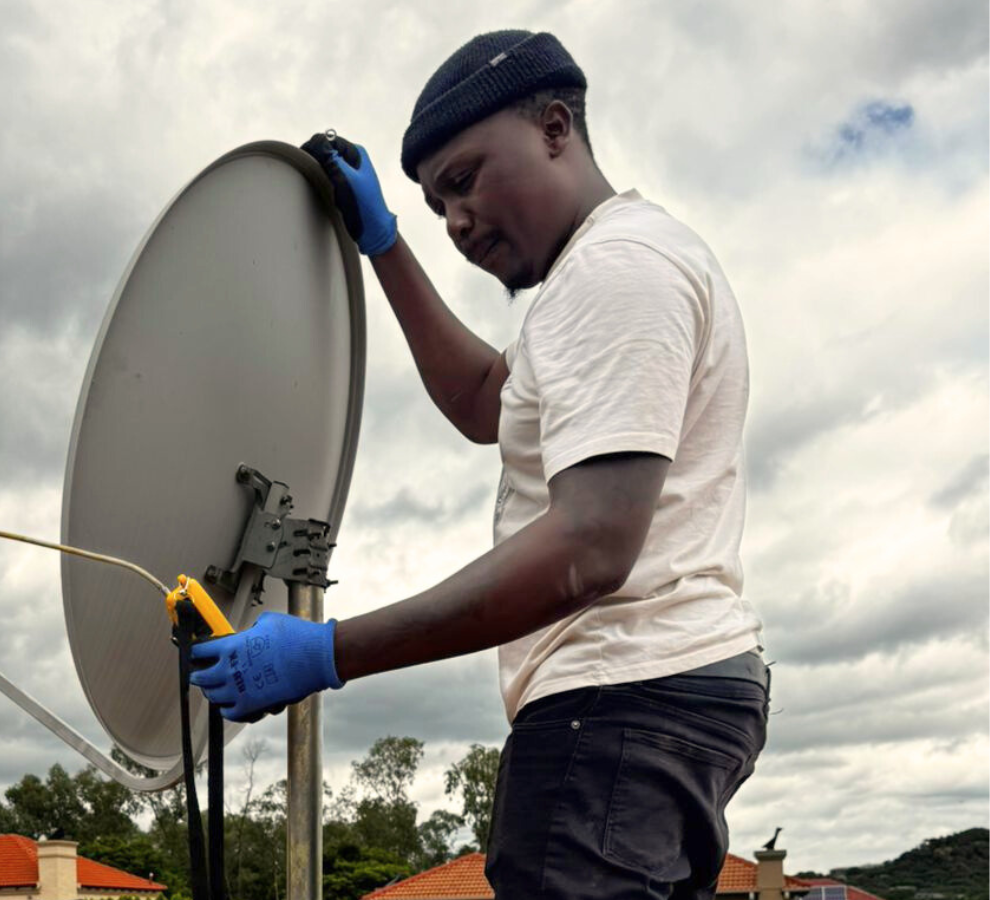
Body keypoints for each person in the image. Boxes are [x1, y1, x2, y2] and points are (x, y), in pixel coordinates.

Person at [191, 29, 769, 899]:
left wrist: (330, 651)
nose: (456, 220)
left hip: (619, 701)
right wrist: (385, 243)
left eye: (464, 179)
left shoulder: (615, 271)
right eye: (435, 205)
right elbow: (485, 404)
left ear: (554, 125)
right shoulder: (612, 269)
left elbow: (593, 544)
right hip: (676, 697)